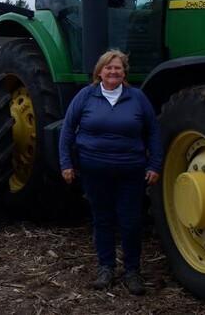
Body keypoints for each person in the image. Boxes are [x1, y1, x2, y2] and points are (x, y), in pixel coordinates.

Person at [59, 49, 162, 296]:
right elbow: (67, 130)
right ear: (99, 72)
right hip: (94, 171)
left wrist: (155, 165)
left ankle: (132, 271)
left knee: (131, 221)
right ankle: (105, 268)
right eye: (108, 67)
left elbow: (153, 133)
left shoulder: (137, 98)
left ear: (124, 72)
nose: (113, 72)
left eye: (117, 68)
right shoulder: (86, 96)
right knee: (102, 219)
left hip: (130, 172)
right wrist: (66, 164)